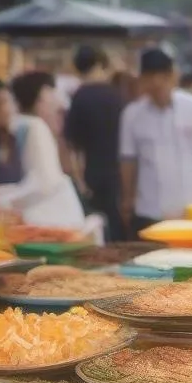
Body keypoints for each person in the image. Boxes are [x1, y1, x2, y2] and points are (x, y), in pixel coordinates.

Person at [0, 71, 84, 229]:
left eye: (5, 102)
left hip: (49, 220)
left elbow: (43, 183)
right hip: (14, 222)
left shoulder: (30, 128)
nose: (1, 109)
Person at [119, 48, 192, 237]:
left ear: (172, 76)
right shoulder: (132, 114)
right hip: (151, 208)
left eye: (162, 77)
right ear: (142, 79)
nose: (156, 83)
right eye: (150, 77)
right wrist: (128, 199)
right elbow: (128, 159)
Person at [64, 45, 125, 241]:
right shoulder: (118, 96)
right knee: (118, 229)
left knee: (98, 229)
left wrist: (79, 180)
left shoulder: (79, 97)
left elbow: (72, 145)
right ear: (100, 63)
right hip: (120, 173)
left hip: (93, 174)